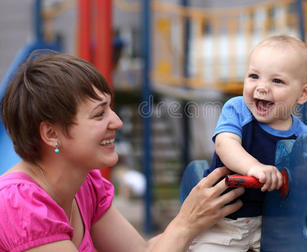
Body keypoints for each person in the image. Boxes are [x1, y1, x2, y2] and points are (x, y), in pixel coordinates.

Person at [0, 51, 244, 252]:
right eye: (99, 114)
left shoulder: (85, 184)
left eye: (110, 109)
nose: (117, 122)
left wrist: (206, 222)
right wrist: (185, 223)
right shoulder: (19, 205)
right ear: (51, 134)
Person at [189, 35, 307, 251]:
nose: (261, 87)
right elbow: (225, 145)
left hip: (274, 224)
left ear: (303, 93)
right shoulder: (238, 110)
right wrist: (254, 168)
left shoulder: (302, 135)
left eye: (276, 81)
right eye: (254, 76)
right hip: (223, 221)